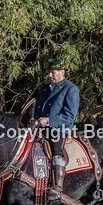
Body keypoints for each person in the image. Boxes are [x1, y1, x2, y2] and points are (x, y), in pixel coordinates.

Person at [34, 59, 80, 195]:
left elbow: (69, 117)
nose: (50, 75)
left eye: (53, 72)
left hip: (59, 129)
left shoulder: (71, 89)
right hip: (40, 128)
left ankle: (58, 186)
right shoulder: (44, 89)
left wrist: (48, 121)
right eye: (49, 72)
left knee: (56, 151)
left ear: (62, 72)